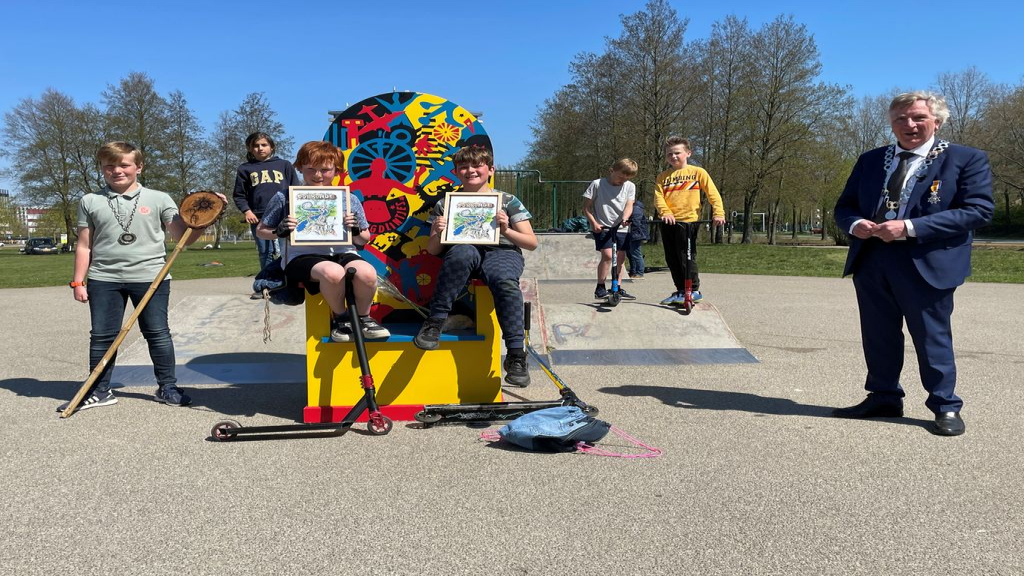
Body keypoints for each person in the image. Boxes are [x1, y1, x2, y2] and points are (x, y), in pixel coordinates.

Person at [832, 91, 994, 436]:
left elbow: (978, 210)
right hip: (873, 258)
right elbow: (844, 206)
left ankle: (945, 405)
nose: (909, 125)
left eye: (919, 117)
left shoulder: (965, 159)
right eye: (900, 119)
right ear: (891, 124)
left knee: (931, 336)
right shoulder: (871, 160)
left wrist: (909, 227)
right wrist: (855, 224)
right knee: (878, 335)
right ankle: (883, 396)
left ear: (937, 121)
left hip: (927, 260)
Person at [58, 142, 224, 412]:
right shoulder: (90, 200)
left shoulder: (159, 198)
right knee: (102, 336)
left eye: (124, 165)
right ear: (101, 168)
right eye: (109, 166)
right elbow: (84, 245)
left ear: (138, 167)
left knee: (157, 334)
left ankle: (167, 386)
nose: (117, 171)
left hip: (150, 277)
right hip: (104, 277)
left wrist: (205, 219)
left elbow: (185, 238)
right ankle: (99, 390)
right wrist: (78, 281)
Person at [413, 145, 538, 387]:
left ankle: (515, 354)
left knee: (504, 280)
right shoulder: (446, 203)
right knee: (461, 252)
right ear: (456, 172)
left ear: (490, 170)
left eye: (476, 165)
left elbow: (531, 243)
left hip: (501, 251)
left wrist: (507, 229)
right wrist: (437, 231)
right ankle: (434, 323)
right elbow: (433, 250)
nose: (470, 170)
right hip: (465, 249)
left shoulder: (508, 201)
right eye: (463, 167)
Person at [256, 141, 390, 342]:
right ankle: (341, 318)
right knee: (332, 272)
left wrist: (354, 230)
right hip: (301, 256)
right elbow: (261, 231)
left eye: (325, 170)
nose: (318, 175)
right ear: (300, 167)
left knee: (367, 273)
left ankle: (364, 318)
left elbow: (364, 238)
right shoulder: (284, 197)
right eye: (311, 169)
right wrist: (279, 230)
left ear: (337, 171)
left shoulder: (348, 198)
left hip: (342, 251)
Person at [653, 136, 726, 305]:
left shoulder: (698, 172)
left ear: (688, 153)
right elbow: (658, 198)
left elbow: (713, 194)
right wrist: (665, 212)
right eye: (669, 154)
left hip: (688, 221)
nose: (673, 157)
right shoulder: (663, 176)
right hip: (668, 221)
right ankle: (680, 290)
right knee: (671, 257)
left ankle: (693, 289)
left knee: (686, 256)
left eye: (677, 153)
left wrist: (719, 213)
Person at [233, 132, 300, 274]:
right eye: (256, 146)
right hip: (258, 217)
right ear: (250, 149)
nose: (260, 148)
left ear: (272, 147)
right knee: (265, 252)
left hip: (284, 215)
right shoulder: (245, 169)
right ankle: (266, 282)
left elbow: (296, 190)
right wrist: (247, 211)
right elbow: (239, 195)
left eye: (264, 145)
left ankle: (287, 283)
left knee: (286, 249)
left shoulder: (284, 165)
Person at [582, 158, 638, 300]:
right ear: (612, 170)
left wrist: (625, 218)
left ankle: (617, 287)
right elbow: (586, 208)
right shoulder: (597, 184)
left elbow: (629, 205)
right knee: (607, 255)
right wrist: (593, 222)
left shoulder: (630, 186)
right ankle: (600, 287)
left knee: (620, 258)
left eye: (626, 179)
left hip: (621, 228)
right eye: (620, 177)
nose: (622, 181)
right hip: (603, 226)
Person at [626, 195, 649, 279]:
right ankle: (633, 271)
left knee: (636, 253)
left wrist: (627, 222)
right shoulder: (633, 208)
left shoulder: (636, 209)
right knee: (630, 253)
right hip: (633, 234)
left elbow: (636, 222)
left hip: (637, 234)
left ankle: (640, 272)